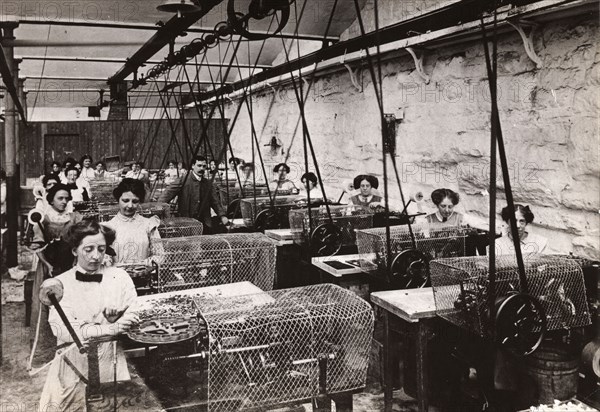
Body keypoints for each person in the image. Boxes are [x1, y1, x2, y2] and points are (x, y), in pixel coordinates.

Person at [38, 219, 139, 411]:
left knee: (113, 405)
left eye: (101, 249)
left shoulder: (119, 277)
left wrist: (117, 318)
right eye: (89, 249)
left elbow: (134, 312)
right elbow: (64, 330)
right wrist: (110, 328)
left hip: (111, 361)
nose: (96, 256)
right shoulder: (59, 284)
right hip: (73, 364)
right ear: (75, 250)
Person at [28, 184, 82, 368]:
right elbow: (37, 246)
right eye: (60, 198)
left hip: (70, 268)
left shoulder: (74, 218)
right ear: (50, 199)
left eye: (67, 198)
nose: (64, 201)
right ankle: (47, 353)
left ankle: (73, 352)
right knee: (47, 308)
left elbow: (80, 241)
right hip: (48, 269)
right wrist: (48, 265)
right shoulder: (43, 219)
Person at [159, 156, 228, 234]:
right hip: (187, 222)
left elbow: (215, 202)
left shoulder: (208, 183)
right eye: (199, 165)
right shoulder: (183, 180)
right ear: (192, 166)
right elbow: (167, 194)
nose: (202, 168)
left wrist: (222, 216)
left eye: (204, 166)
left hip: (205, 222)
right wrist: (159, 209)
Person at [103, 179, 161, 264]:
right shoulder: (108, 226)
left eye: (135, 201)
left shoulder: (149, 224)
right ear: (118, 199)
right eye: (125, 201)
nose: (130, 206)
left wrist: (141, 266)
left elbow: (160, 255)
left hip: (143, 275)